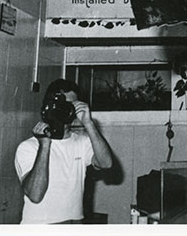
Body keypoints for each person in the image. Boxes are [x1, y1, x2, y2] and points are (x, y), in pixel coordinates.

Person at [14, 79, 113, 224]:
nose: (65, 111)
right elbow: (35, 195)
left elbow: (106, 163)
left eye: (70, 106)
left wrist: (88, 123)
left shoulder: (82, 142)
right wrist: (45, 144)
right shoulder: (29, 147)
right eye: (61, 106)